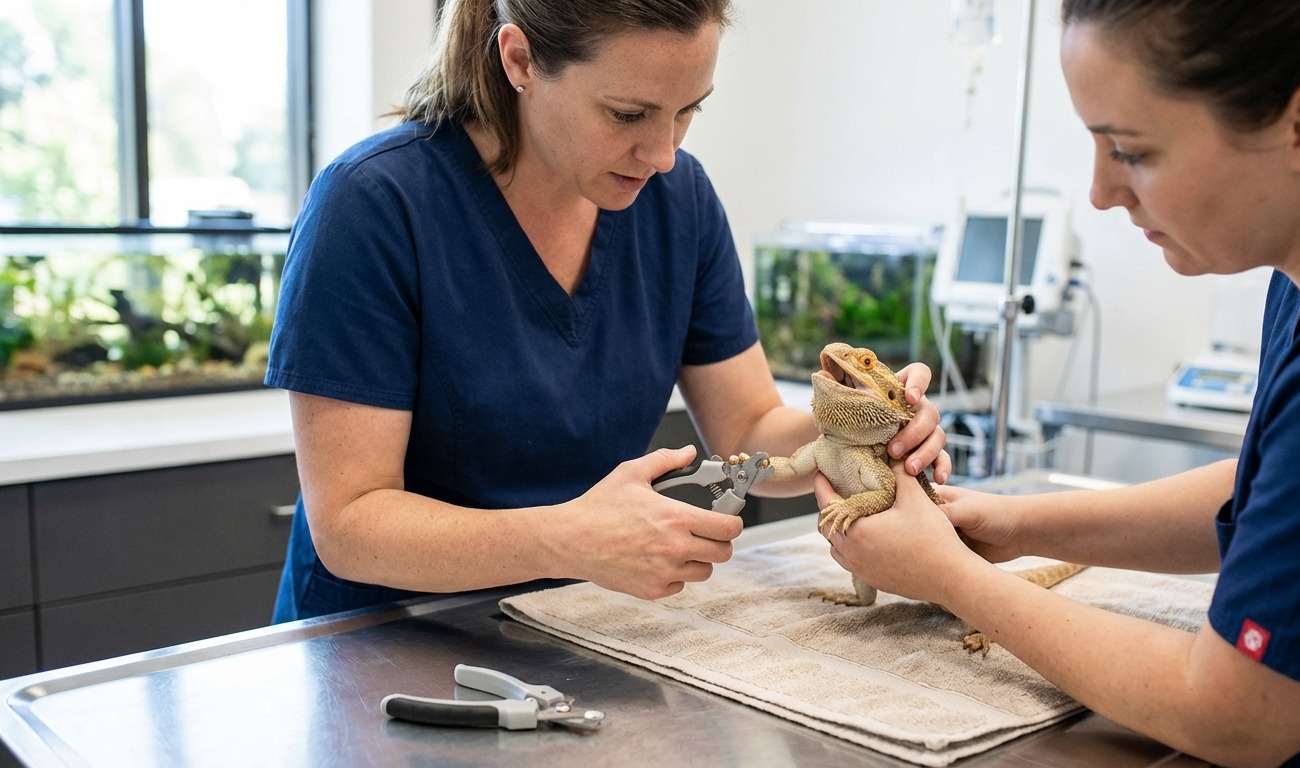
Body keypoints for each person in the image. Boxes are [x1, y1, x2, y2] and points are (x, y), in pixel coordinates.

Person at [265, 0, 950, 624]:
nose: (664, 153)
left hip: (576, 627)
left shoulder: (680, 201)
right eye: (628, 115)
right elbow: (351, 526)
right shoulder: (373, 206)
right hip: (380, 644)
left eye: (689, 110)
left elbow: (750, 427)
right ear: (520, 59)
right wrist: (568, 538)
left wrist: (864, 430)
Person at [826, 1, 1300, 765]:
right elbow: (1282, 494)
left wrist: (947, 576)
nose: (1100, 193)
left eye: (1132, 151)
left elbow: (1233, 714)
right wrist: (1017, 524)